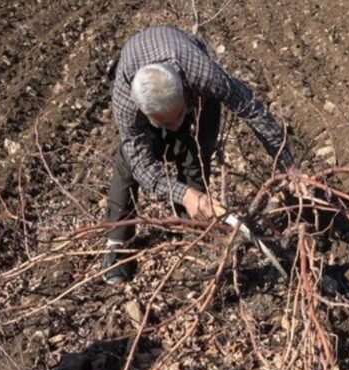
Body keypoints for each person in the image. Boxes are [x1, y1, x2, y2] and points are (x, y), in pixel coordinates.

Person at [102, 25, 301, 284]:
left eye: (179, 116)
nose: (175, 126)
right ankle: (117, 242)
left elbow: (252, 109)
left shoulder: (203, 74)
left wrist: (289, 167)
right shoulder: (126, 102)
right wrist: (181, 192)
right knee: (128, 162)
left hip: (190, 78)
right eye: (165, 122)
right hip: (142, 82)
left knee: (198, 148)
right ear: (144, 113)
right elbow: (142, 163)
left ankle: (194, 229)